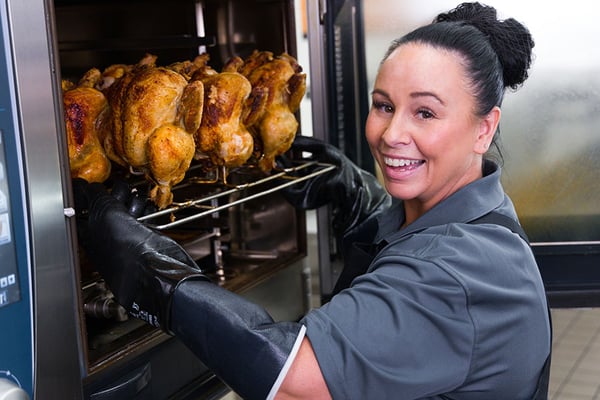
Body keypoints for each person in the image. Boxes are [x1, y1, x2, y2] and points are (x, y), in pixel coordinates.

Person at [74, 2, 551, 399]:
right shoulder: (477, 220)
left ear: (484, 129)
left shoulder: (457, 274)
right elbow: (418, 257)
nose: (391, 134)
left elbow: (291, 383)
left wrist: (155, 275)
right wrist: (359, 197)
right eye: (384, 105)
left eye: (425, 112)